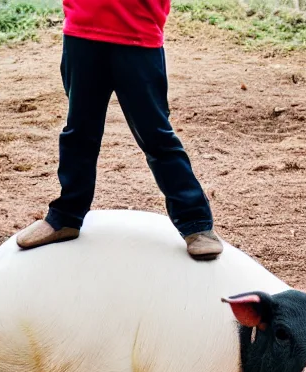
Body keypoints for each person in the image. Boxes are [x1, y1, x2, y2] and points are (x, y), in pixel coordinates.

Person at [16, 0, 223, 260]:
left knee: (156, 136)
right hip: (82, 32)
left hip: (139, 33)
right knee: (78, 132)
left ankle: (196, 224)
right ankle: (65, 217)